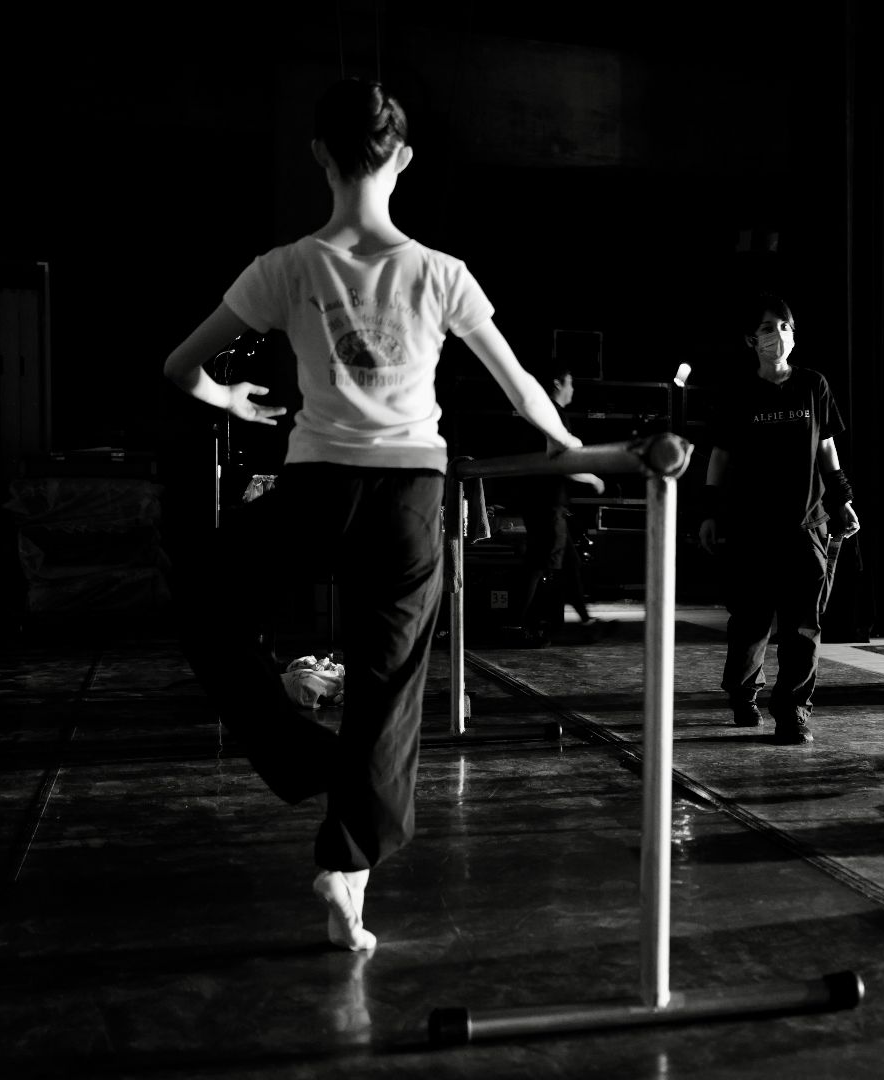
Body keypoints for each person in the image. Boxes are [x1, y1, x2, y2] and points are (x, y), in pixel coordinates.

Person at [162, 78, 582, 951]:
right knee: (387, 693)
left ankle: (300, 759)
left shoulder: (285, 266)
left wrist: (233, 403)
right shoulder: (441, 274)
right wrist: (571, 450)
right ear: (404, 159)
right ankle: (348, 865)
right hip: (407, 498)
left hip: (316, 487)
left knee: (207, 602)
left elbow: (179, 367)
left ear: (319, 155)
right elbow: (521, 389)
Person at [698, 294, 861, 746]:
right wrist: (710, 513)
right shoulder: (737, 391)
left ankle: (792, 710)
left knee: (803, 623)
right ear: (752, 339)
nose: (779, 335)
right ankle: (743, 691)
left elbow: (826, 448)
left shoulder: (813, 384)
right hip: (750, 526)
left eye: (785, 326)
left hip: (806, 524)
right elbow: (719, 457)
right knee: (751, 620)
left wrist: (842, 500)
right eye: (769, 328)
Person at [515, 365, 605, 636]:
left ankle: (585, 620)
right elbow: (563, 461)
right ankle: (518, 622)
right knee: (542, 564)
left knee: (569, 563)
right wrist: (592, 478)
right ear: (557, 384)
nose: (573, 389)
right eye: (571, 382)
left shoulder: (542, 414)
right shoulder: (554, 416)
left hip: (543, 501)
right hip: (547, 503)